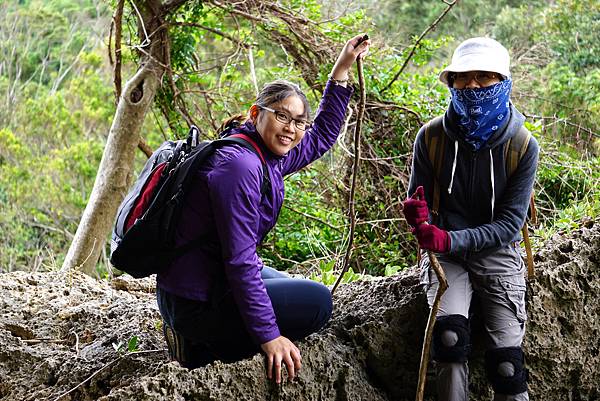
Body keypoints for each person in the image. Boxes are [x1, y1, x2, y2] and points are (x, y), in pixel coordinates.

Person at [156, 34, 370, 383]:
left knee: (288, 284)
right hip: (193, 300)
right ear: (257, 113)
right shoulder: (239, 168)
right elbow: (239, 261)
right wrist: (268, 336)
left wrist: (342, 68)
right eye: (283, 116)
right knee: (317, 303)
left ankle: (208, 332)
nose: (293, 129)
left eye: (299, 121)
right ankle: (202, 347)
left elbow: (320, 138)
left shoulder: (264, 154)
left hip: (200, 282)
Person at [403, 37, 539, 400]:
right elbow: (420, 205)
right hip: (447, 260)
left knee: (507, 366)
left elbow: (510, 224)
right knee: (449, 340)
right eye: (463, 78)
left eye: (484, 77)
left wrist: (450, 238)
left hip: (497, 252)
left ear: (503, 82)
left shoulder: (523, 145)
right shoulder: (431, 137)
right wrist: (419, 220)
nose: (473, 86)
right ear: (451, 83)